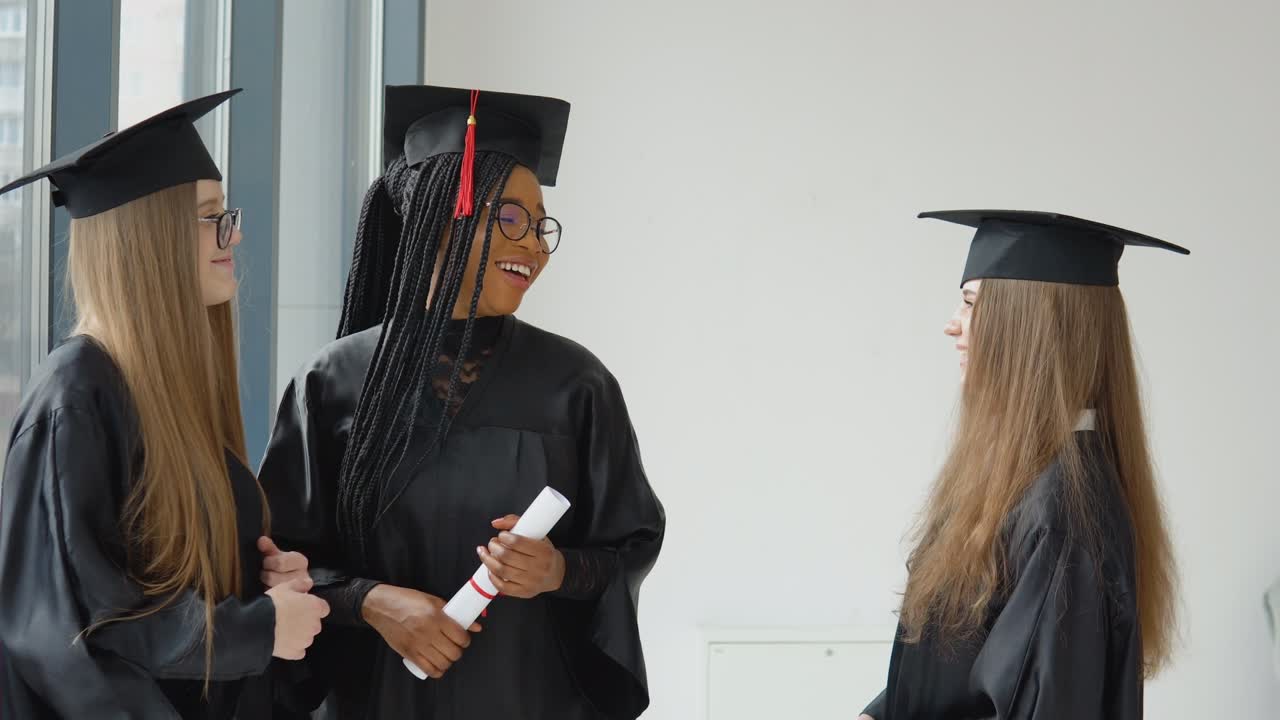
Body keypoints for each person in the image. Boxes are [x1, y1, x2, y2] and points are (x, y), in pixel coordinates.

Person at [258, 85, 665, 719]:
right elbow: (280, 559)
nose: (533, 246)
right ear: (440, 213)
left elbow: (630, 542)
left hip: (531, 700)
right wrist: (369, 601)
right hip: (378, 700)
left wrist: (557, 571)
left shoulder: (575, 384)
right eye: (510, 218)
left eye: (540, 226)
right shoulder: (333, 382)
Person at [0, 91, 329, 719]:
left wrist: (265, 593)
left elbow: (170, 588)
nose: (233, 232)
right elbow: (76, 627)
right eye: (210, 216)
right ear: (149, 238)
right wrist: (254, 632)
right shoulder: (76, 396)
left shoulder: (168, 394)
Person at [861, 210, 1184, 719]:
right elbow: (961, 664)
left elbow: (1037, 705)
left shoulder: (1064, 511)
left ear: (1028, 323)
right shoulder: (1019, 478)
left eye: (970, 304)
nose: (952, 325)